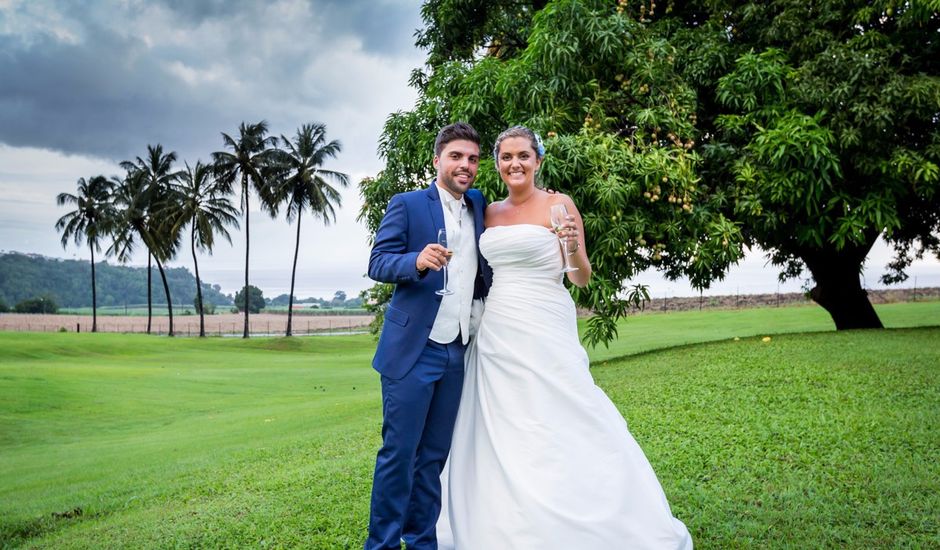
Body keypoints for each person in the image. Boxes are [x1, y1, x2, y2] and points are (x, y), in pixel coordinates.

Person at [436, 126, 693, 549]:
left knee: (562, 406)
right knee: (501, 419)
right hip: (499, 324)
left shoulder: (560, 204)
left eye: (523, 155)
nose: (514, 164)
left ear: (538, 160)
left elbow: (582, 277)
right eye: (505, 157)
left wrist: (571, 246)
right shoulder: (486, 211)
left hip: (545, 321)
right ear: (497, 164)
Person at [364, 122, 492, 550]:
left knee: (433, 458)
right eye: (456, 156)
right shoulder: (407, 204)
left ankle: (422, 542)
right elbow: (379, 262)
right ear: (437, 160)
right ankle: (381, 544)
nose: (465, 165)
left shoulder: (477, 204)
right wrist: (416, 261)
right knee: (399, 456)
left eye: (472, 159)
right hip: (412, 351)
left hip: (456, 351)